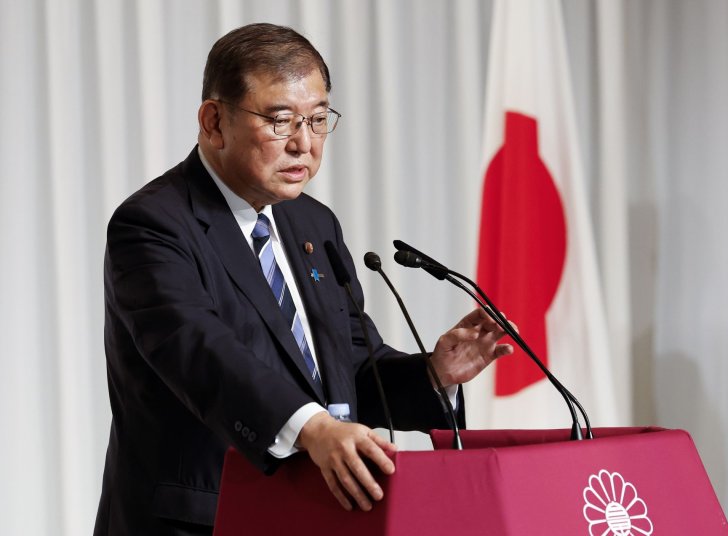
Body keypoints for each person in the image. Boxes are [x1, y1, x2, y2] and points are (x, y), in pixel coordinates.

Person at [94, 22, 512, 536]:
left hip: (314, 515)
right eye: (281, 120)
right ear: (213, 122)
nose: (304, 144)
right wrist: (314, 428)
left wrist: (434, 373)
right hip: (201, 520)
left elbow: (354, 370)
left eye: (317, 121)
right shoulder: (155, 224)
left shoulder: (313, 223)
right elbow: (199, 353)